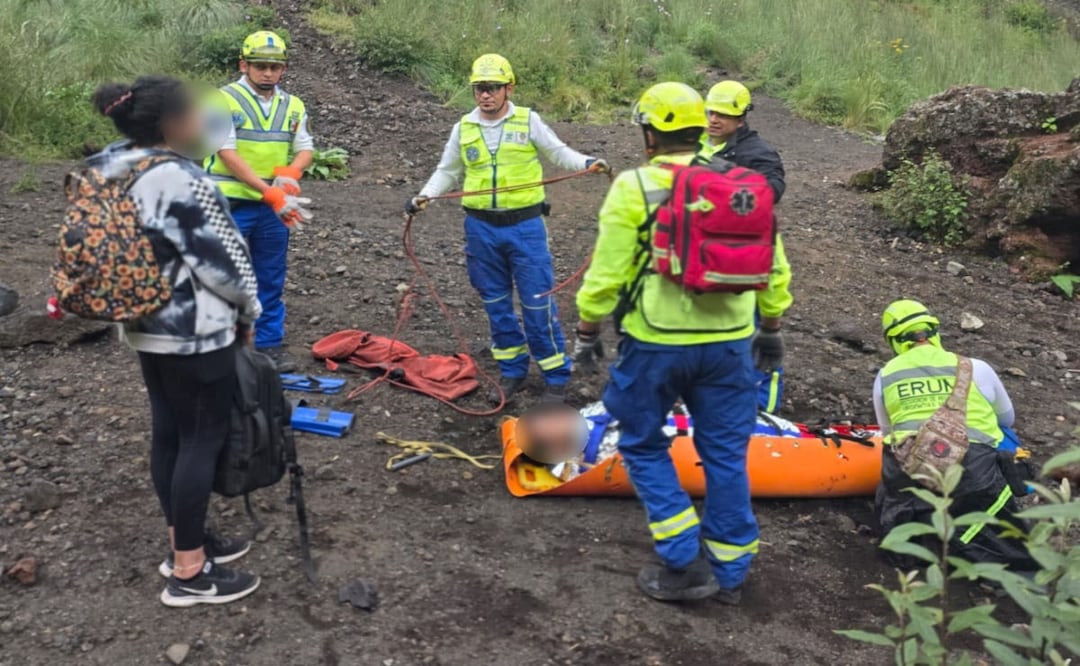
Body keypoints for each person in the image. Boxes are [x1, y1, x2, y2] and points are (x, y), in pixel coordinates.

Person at [573, 82, 793, 603]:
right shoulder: (740, 185)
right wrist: (773, 329)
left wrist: (587, 330)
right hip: (731, 346)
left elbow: (605, 275)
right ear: (699, 129)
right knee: (724, 455)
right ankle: (732, 573)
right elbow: (775, 266)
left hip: (656, 344)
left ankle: (680, 558)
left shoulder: (635, 187)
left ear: (649, 134)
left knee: (643, 442)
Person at [91, 76, 264, 606]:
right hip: (194, 332)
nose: (200, 120)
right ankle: (189, 573)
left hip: (142, 324)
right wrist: (250, 311)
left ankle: (182, 541)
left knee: (170, 433)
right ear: (171, 123)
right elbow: (225, 264)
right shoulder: (182, 179)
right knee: (201, 439)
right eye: (193, 112)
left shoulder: (110, 164)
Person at [407, 53, 609, 404]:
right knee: (496, 303)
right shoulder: (463, 128)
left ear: (508, 88)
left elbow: (559, 153)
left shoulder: (528, 121)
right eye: (479, 89)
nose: (485, 95)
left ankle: (555, 377)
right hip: (481, 230)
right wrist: (424, 196)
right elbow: (447, 171)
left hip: (525, 227)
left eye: (493, 88)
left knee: (536, 303)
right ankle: (512, 372)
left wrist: (588, 163)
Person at [873, 299, 1036, 570]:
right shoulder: (976, 368)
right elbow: (1007, 418)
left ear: (893, 340)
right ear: (934, 332)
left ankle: (921, 538)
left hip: (911, 474)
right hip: (974, 472)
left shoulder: (885, 375)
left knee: (896, 447)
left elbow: (887, 432)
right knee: (1002, 433)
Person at [205, 30, 314, 372]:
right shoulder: (222, 100)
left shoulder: (292, 105)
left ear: (283, 69)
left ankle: (267, 346)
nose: (268, 72)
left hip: (272, 208)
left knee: (270, 276)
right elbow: (226, 153)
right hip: (230, 203)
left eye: (275, 66)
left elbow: (305, 148)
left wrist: (290, 174)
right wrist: (270, 191)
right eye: (260, 66)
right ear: (244, 65)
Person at [700, 80, 788, 413]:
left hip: (746, 264)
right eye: (711, 111)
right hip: (708, 263)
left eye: (724, 113)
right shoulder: (697, 147)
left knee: (757, 345)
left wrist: (729, 176)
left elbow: (772, 190)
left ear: (742, 116)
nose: (714, 119)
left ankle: (763, 414)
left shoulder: (758, 153)